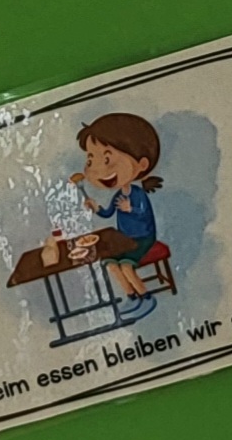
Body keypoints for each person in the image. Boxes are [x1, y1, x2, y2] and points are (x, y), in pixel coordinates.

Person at [69, 112, 163, 301]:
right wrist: (96, 207)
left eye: (107, 160)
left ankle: (145, 296)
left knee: (126, 266)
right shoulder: (118, 195)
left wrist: (131, 209)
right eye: (90, 161)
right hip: (124, 239)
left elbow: (143, 212)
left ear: (142, 164)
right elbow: (108, 213)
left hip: (142, 238)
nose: (98, 169)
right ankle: (131, 295)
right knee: (111, 264)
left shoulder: (138, 194)